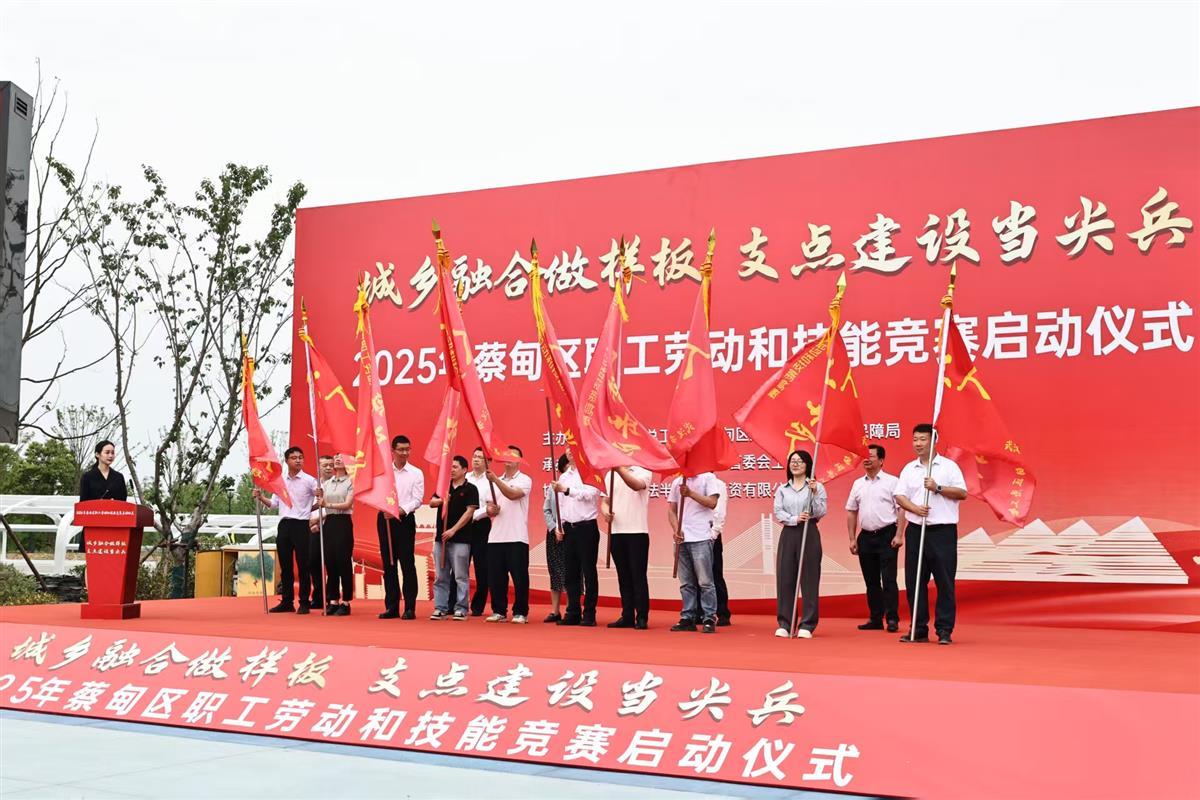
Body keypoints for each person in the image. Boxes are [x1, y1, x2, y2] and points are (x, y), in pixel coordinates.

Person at [893, 423, 967, 645]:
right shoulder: (909, 469)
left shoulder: (949, 467)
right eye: (915, 439)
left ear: (934, 441)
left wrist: (937, 488)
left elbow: (962, 493)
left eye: (923, 439)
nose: (918, 444)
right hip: (917, 530)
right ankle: (918, 629)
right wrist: (915, 509)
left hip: (943, 532)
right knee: (915, 581)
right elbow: (899, 496)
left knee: (945, 582)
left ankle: (944, 630)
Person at [254, 447, 320, 614]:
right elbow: (274, 504)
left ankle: (304, 602)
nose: (298, 460)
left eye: (300, 457)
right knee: (285, 566)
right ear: (287, 460)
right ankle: (287, 601)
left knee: (303, 565)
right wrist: (261, 497)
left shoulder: (309, 480)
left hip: (301, 525)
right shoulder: (280, 480)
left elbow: (321, 499)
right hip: (284, 525)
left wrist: (310, 507)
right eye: (294, 458)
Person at [772, 450, 828, 639]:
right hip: (789, 532)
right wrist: (795, 518)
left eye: (800, 461)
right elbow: (778, 512)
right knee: (785, 577)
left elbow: (821, 512)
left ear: (807, 465)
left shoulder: (816, 487)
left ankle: (807, 624)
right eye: (792, 461)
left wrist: (814, 493)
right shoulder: (782, 489)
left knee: (809, 578)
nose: (795, 464)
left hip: (809, 531)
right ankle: (785, 623)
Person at [846, 444, 900, 632]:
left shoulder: (892, 482)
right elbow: (851, 511)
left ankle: (892, 619)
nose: (866, 459)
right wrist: (852, 538)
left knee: (889, 579)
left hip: (887, 535)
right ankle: (876, 618)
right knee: (871, 581)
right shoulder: (858, 484)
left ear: (881, 460)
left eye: (871, 456)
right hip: (866, 537)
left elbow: (901, 509)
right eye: (864, 456)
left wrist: (899, 534)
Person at [550, 449, 602, 627]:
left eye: (573, 448)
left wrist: (567, 490)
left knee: (588, 571)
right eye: (567, 449)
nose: (569, 451)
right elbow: (561, 505)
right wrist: (559, 525)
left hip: (586, 527)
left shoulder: (591, 472)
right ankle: (572, 612)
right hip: (568, 528)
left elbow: (590, 494)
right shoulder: (564, 476)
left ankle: (589, 614)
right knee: (570, 572)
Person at [667, 471, 721, 634]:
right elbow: (671, 510)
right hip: (681, 539)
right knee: (686, 583)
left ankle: (709, 617)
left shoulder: (708, 478)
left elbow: (712, 502)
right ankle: (687, 617)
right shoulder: (677, 482)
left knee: (705, 582)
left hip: (701, 537)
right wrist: (676, 529)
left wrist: (690, 493)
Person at [484, 445, 533, 624]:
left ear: (519, 460)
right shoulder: (494, 481)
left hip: (517, 536)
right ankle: (499, 610)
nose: (509, 459)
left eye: (513, 456)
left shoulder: (524, 480)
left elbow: (513, 495)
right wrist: (490, 510)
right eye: (507, 456)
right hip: (496, 536)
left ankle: (521, 612)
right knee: (496, 578)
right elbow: (488, 506)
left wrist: (496, 480)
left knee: (519, 578)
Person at [378, 435, 425, 620]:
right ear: (393, 451)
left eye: (407, 449)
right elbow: (377, 493)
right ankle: (392, 607)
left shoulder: (416, 473)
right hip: (385, 519)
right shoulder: (383, 471)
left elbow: (417, 499)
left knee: (407, 564)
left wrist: (399, 511)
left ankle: (410, 607)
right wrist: (385, 508)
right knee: (389, 564)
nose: (404, 453)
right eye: (401, 449)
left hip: (404, 520)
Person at [600, 465, 652, 629]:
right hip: (616, 532)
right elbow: (605, 501)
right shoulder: (610, 475)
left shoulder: (643, 471)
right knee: (623, 576)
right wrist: (605, 512)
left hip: (637, 531)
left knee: (638, 575)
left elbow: (636, 485)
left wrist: (619, 469)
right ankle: (627, 615)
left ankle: (641, 616)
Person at [430, 455, 478, 620]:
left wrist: (453, 530)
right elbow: (432, 502)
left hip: (461, 539)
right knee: (440, 576)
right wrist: (442, 500)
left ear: (464, 470)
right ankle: (440, 608)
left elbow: (469, 512)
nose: (451, 470)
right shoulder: (443, 487)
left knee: (460, 576)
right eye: (450, 467)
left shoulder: (471, 489)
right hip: (441, 539)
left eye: (455, 467)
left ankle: (461, 608)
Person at [318, 454, 355, 616]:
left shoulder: (351, 482)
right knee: (330, 561)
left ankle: (346, 601)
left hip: (343, 522)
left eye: (342, 457)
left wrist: (327, 503)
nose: (338, 459)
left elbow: (347, 504)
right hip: (329, 522)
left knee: (343, 561)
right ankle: (333, 600)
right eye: (336, 457)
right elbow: (321, 504)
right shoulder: (327, 483)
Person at [77, 440, 128, 555]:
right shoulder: (87, 477)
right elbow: (83, 502)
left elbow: (123, 500)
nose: (110, 455)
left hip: (113, 523)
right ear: (97, 454)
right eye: (107, 452)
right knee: (93, 558)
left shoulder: (118, 477)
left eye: (112, 453)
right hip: (94, 523)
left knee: (112, 556)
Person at [466, 447, 493, 616]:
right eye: (474, 456)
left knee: (481, 567)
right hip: (463, 526)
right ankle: (456, 603)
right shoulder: (465, 478)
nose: (476, 460)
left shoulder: (491, 481)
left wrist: (472, 515)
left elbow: (491, 506)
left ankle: (478, 605)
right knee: (459, 565)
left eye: (480, 458)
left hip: (481, 525)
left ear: (487, 462)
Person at [541, 454, 569, 622]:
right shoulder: (553, 487)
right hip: (554, 534)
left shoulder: (577, 486)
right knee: (555, 571)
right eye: (566, 467)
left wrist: (564, 528)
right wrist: (554, 528)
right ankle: (555, 611)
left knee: (573, 571)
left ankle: (572, 610)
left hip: (571, 533)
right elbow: (546, 509)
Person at [711, 476, 732, 626]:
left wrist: (714, 533)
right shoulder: (689, 482)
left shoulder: (718, 484)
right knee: (695, 575)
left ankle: (722, 612)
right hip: (694, 533)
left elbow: (720, 512)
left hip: (711, 533)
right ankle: (698, 612)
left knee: (715, 573)